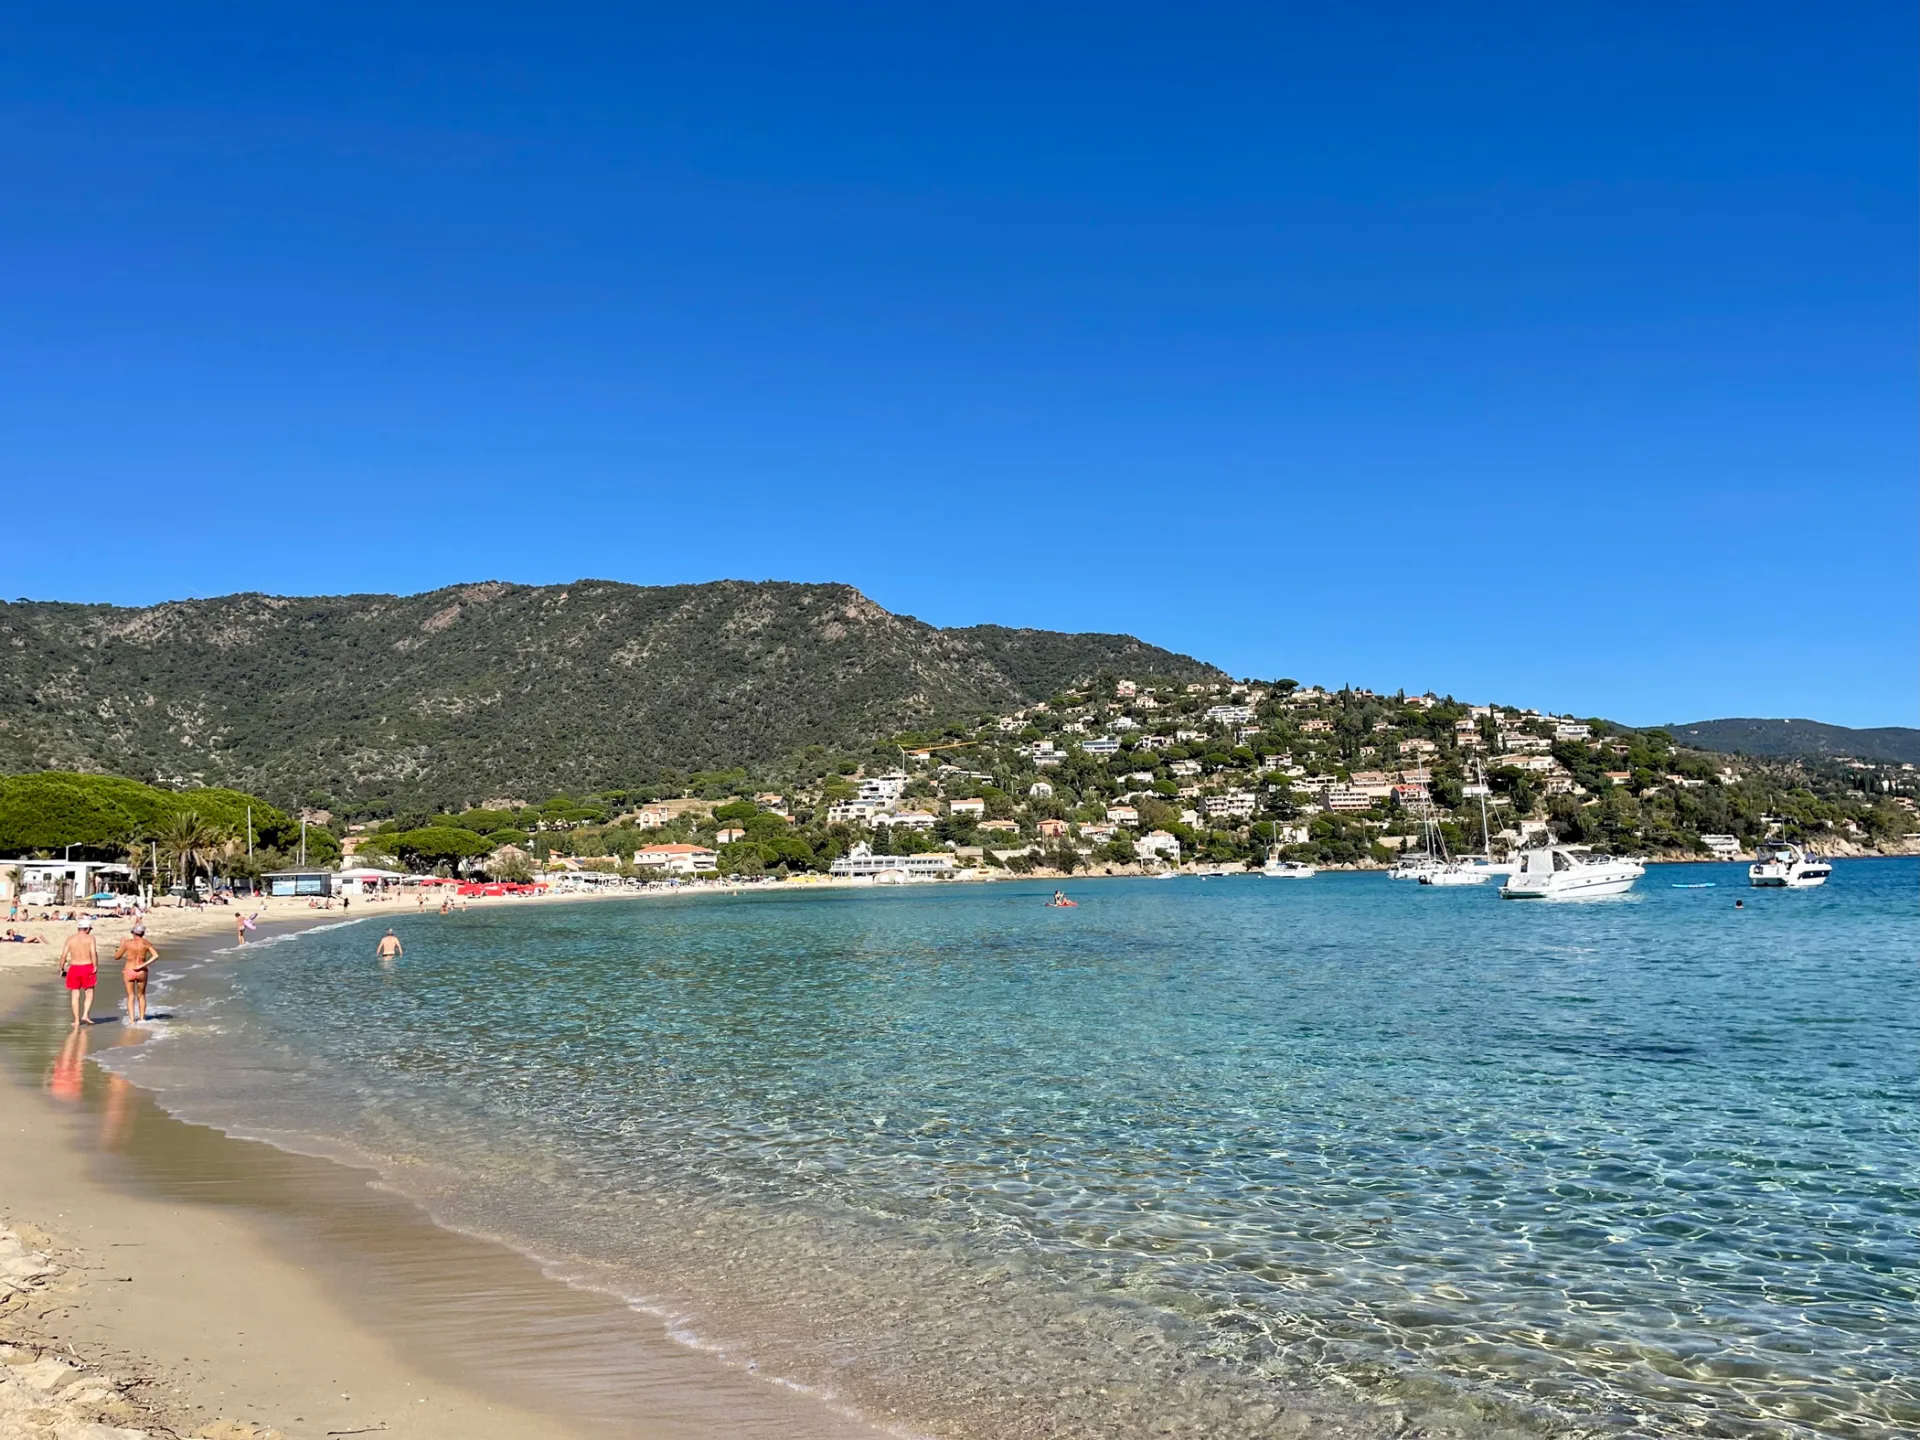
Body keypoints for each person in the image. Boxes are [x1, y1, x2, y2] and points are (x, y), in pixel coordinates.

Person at [59, 918, 100, 1027]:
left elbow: (63, 955)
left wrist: (61, 968)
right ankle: (85, 1014)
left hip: (74, 967)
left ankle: (76, 1021)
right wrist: (95, 966)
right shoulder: (90, 938)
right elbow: (93, 953)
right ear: (87, 929)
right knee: (89, 992)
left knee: (75, 994)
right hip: (87, 966)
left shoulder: (70, 939)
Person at [117, 925, 158, 1023]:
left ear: (133, 932)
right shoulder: (146, 943)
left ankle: (131, 1020)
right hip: (141, 971)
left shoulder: (127, 943)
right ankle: (142, 1019)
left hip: (129, 970)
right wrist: (142, 965)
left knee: (130, 996)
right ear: (143, 933)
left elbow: (117, 956)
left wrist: (121, 945)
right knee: (141, 995)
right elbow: (156, 955)